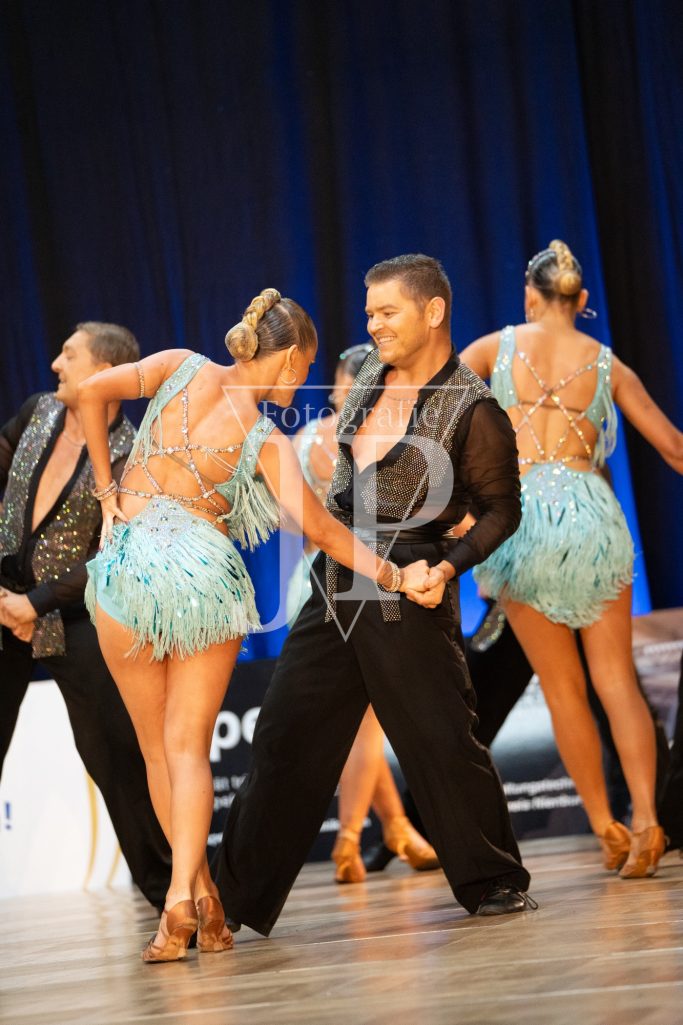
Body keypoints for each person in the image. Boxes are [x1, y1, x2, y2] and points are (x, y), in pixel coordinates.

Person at [79, 289, 430, 963]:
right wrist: (392, 575)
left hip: (125, 570)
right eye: (307, 367)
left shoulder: (178, 366)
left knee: (158, 754)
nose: (302, 379)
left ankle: (195, 901)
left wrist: (106, 493)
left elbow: (89, 392)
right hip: (199, 579)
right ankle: (187, 898)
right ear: (291, 359)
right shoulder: (264, 440)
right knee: (187, 751)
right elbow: (324, 531)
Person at [214, 254, 535, 935]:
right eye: (369, 313)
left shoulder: (472, 408)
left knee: (440, 737)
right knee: (284, 736)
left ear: (433, 311)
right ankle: (230, 900)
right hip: (337, 577)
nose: (373, 324)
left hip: (410, 584)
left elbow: (503, 510)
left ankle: (495, 879)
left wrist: (447, 568)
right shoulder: (366, 377)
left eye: (387, 311)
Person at [460, 239, 683, 879]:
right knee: (616, 682)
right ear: (581, 299)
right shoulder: (606, 362)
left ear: (529, 297)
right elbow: (672, 446)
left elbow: (432, 412)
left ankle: (605, 825)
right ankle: (647, 820)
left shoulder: (492, 348)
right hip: (592, 516)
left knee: (563, 691)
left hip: (522, 523)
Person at [0, 322, 172, 909]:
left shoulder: (132, 455)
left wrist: (36, 603)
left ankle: (171, 895)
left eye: (69, 355)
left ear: (104, 373)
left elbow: (114, 553)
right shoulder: (36, 413)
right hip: (3, 603)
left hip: (76, 617)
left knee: (116, 756)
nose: (55, 363)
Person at [287, 342, 438, 882]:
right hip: (361, 578)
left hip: (307, 580)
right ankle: (350, 839)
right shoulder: (376, 437)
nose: (335, 391)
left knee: (357, 720)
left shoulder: (304, 439)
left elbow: (290, 520)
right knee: (368, 719)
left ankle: (395, 827)